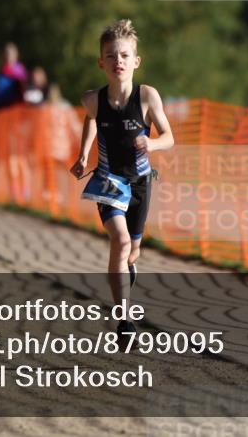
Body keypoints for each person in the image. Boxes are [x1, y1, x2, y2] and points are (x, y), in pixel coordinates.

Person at [70, 19, 174, 336]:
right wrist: (83, 153)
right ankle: (124, 320)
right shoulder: (93, 100)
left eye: (125, 56)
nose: (119, 62)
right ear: (101, 62)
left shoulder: (147, 97)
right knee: (121, 239)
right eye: (112, 56)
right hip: (108, 180)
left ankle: (129, 265)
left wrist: (153, 142)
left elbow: (169, 136)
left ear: (136, 61)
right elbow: (91, 119)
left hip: (141, 181)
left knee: (134, 250)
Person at [0, 42, 28, 111]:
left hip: (15, 110)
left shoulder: (20, 73)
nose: (7, 56)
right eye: (5, 53)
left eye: (10, 54)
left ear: (16, 55)